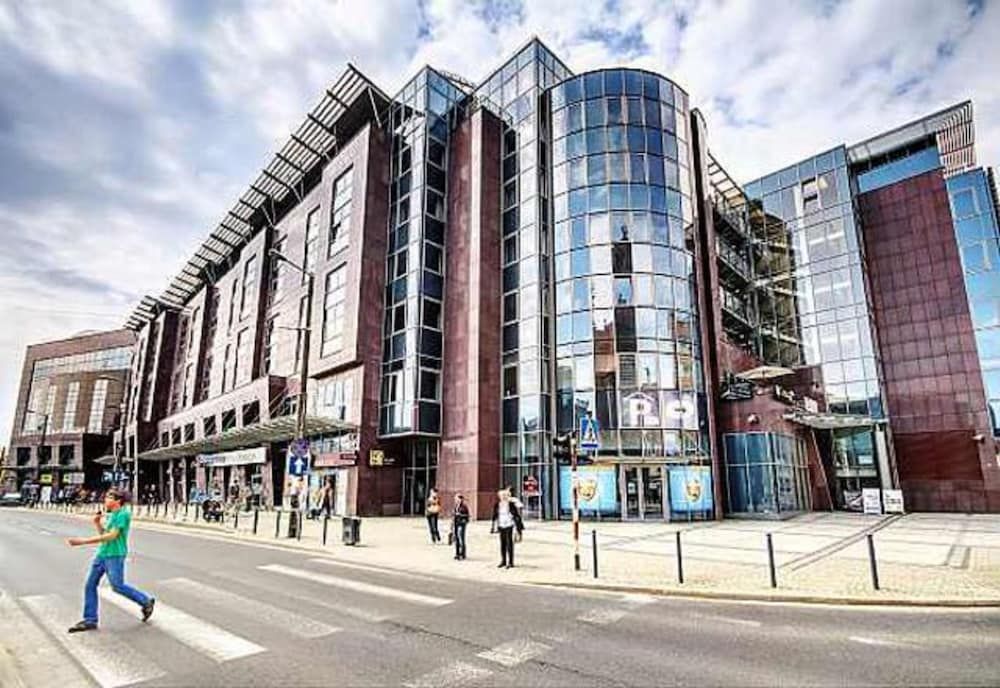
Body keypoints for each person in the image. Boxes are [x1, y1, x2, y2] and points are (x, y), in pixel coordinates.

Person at [65, 488, 155, 633]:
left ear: (118, 501)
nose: (105, 500)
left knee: (117, 586)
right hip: (102, 554)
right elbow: (105, 534)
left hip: (115, 555)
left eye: (109, 497)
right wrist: (97, 523)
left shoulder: (123, 514)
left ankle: (145, 601)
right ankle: (90, 620)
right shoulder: (112, 514)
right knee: (90, 585)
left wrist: (83, 541)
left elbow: (112, 536)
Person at [491, 489, 524, 568]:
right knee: (502, 544)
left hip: (509, 524)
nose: (503, 497)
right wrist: (493, 526)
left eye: (504, 495)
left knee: (509, 544)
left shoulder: (511, 504)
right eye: (501, 496)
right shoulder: (498, 504)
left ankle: (510, 562)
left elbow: (520, 506)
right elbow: (495, 515)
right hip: (501, 525)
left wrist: (514, 500)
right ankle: (503, 561)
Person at [452, 494, 470, 560]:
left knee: (461, 539)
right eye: (455, 499)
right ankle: (457, 554)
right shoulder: (456, 506)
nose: (456, 500)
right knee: (456, 539)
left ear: (460, 499)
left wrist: (460, 515)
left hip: (461, 524)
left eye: (457, 499)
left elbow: (467, 515)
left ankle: (462, 554)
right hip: (456, 523)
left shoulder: (464, 507)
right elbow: (454, 515)